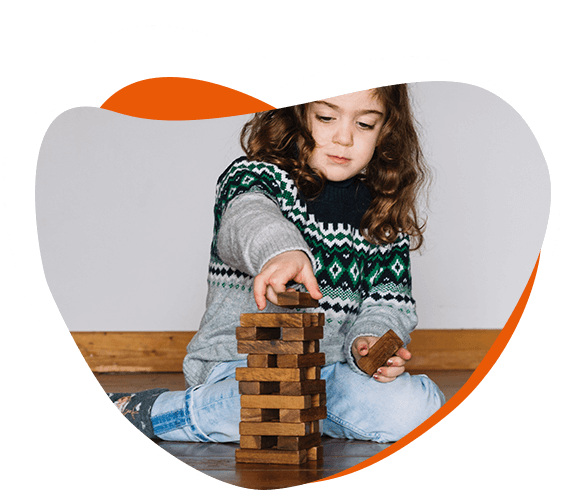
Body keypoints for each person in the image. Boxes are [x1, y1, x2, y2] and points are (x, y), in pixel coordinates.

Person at [108, 86, 446, 443]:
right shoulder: (253, 177)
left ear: (386, 132)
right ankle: (155, 412)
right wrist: (280, 251)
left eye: (364, 124)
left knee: (418, 407)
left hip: (331, 374)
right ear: (296, 113)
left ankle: (302, 416)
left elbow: (389, 302)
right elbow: (247, 217)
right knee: (272, 395)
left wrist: (370, 341)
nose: (344, 137)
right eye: (326, 117)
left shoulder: (382, 212)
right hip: (240, 366)